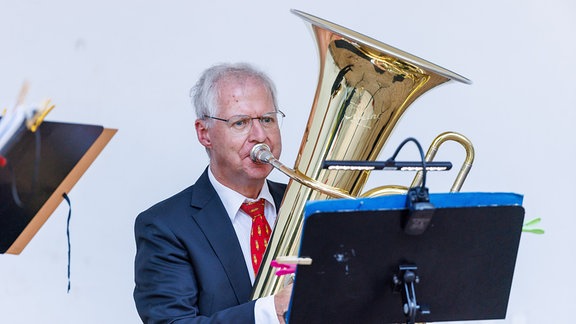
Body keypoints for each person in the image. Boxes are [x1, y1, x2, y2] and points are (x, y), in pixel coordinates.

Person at [133, 63, 292, 323]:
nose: (260, 135)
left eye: (267, 119)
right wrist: (269, 312)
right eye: (240, 123)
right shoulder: (164, 226)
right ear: (204, 133)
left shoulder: (308, 205)